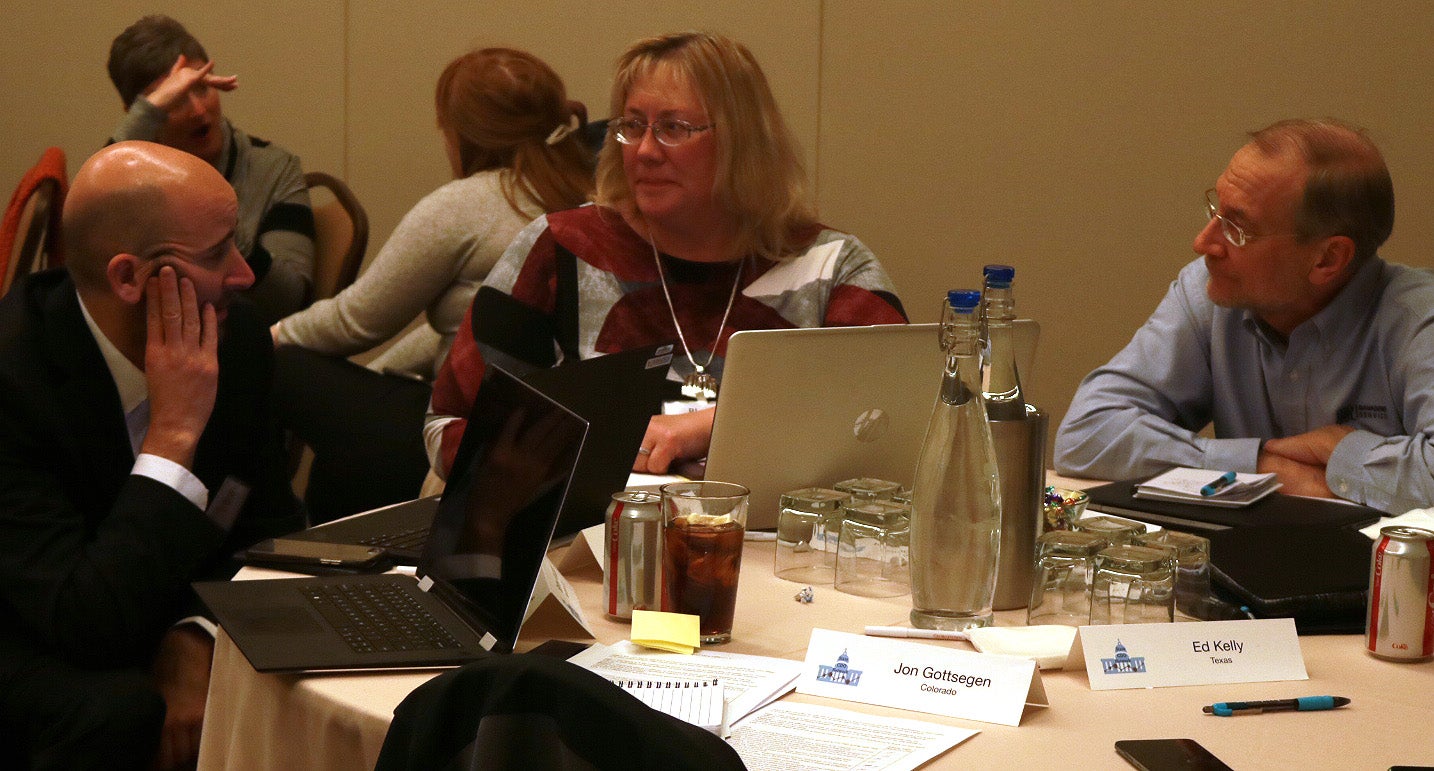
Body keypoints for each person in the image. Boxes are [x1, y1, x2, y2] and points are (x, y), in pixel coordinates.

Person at [425, 31, 907, 479]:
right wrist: (597, 453)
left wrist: (703, 427)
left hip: (782, 556)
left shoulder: (832, 267)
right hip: (591, 549)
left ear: (742, 140)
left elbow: (893, 419)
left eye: (673, 128)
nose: (645, 151)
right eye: (633, 126)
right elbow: (450, 425)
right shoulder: (562, 248)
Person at [0, 142, 302, 768]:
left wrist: (196, 636)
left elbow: (268, 530)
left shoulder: (235, 340)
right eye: (218, 253)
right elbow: (81, 623)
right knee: (121, 711)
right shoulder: (14, 379)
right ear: (129, 278)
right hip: (31, 628)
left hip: (141, 605)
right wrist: (173, 437)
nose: (246, 276)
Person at [270, 47, 594, 522]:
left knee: (277, 365)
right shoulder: (586, 193)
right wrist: (381, 374)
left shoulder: (470, 204)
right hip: (554, 434)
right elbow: (469, 326)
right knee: (346, 452)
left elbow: (356, 322)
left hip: (469, 435)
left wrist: (266, 336)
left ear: (463, 133)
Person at [1054, 118, 1434, 515]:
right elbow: (1086, 433)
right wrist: (1262, 465)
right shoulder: (1209, 293)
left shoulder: (1418, 319)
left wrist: (1340, 452)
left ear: (1327, 258)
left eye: (1238, 228)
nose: (1204, 243)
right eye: (1217, 209)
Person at [107, 14, 316, 324]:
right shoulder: (128, 180)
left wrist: (216, 217)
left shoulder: (273, 167)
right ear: (142, 116)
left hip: (238, 344)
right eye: (175, 99)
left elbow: (289, 299)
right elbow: (86, 272)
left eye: (203, 87)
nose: (198, 110)